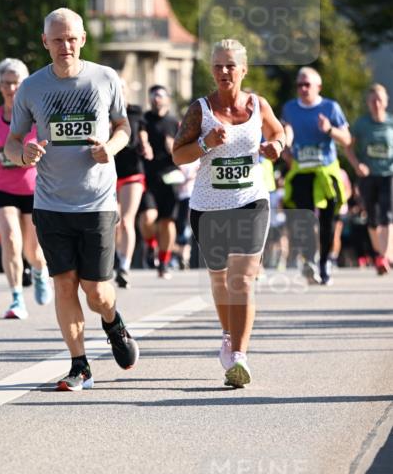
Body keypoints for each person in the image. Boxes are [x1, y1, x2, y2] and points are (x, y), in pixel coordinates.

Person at [4, 7, 139, 391]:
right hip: (50, 203)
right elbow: (13, 141)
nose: (65, 45)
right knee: (64, 284)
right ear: (45, 42)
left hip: (96, 201)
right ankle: (80, 365)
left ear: (82, 40)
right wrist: (23, 154)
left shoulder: (105, 78)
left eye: (71, 38)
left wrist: (110, 148)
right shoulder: (31, 88)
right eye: (57, 39)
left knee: (96, 292)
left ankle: (112, 321)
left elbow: (123, 127)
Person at [173, 38, 286, 388]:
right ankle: (227, 334)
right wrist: (207, 143)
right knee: (220, 281)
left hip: (251, 201)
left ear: (243, 70)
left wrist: (275, 146)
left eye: (230, 65)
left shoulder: (257, 105)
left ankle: (239, 356)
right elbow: (178, 155)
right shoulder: (200, 110)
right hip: (208, 206)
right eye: (218, 65)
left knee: (243, 278)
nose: (224, 71)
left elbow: (278, 131)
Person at [0, 58, 52, 318]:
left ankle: (39, 270)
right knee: (10, 239)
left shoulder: (37, 117)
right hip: (3, 187)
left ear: (25, 85)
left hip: (34, 189)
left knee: (33, 250)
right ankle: (16, 298)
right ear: (0, 86)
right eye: (6, 83)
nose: (11, 88)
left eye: (16, 83)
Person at [281, 66, 351, 286]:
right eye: (299, 85)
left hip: (326, 171)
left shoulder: (331, 107)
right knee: (304, 218)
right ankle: (310, 260)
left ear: (318, 87)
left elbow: (347, 140)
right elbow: (287, 131)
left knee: (328, 221)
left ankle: (324, 263)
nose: (302, 88)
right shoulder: (290, 108)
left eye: (307, 84)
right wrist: (287, 144)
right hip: (302, 171)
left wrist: (329, 129)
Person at [346, 83, 393, 275]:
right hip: (368, 176)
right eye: (372, 100)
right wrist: (357, 165)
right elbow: (348, 147)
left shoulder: (391, 123)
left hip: (389, 174)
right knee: (372, 217)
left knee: (387, 215)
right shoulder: (361, 124)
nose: (376, 103)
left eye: (379, 99)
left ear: (386, 102)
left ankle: (385, 256)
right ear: (368, 102)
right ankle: (380, 254)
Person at [139, 85, 182, 279]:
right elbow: (140, 135)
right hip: (149, 177)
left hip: (171, 176)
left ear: (167, 99)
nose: (157, 99)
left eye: (160, 96)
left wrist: (173, 148)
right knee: (147, 218)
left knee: (167, 222)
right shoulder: (144, 119)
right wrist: (145, 144)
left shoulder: (175, 122)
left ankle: (164, 262)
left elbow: (183, 152)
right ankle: (151, 246)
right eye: (153, 95)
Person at [113, 78, 146, 289]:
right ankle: (117, 258)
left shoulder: (135, 112)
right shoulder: (103, 112)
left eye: (122, 89)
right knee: (113, 222)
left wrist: (146, 144)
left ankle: (124, 267)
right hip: (108, 173)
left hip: (133, 172)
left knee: (126, 220)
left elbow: (142, 132)